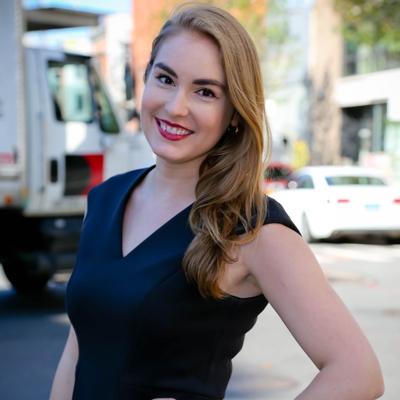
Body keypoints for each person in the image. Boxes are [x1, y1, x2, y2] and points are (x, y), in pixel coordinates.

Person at [50, 4, 384, 400]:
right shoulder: (104, 199)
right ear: (146, 78)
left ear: (235, 114)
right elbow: (78, 348)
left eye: (205, 92)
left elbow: (357, 373)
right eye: (165, 78)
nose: (176, 106)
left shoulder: (254, 228)